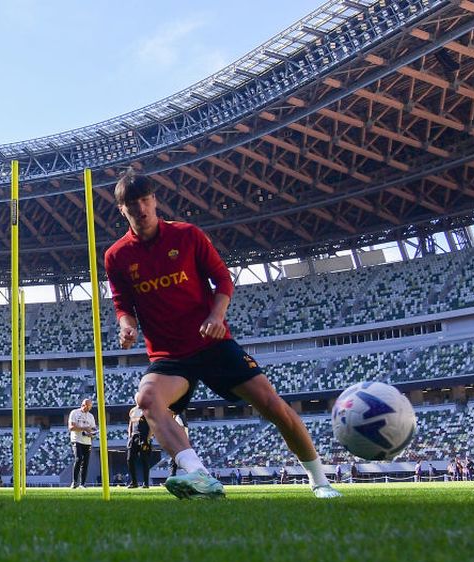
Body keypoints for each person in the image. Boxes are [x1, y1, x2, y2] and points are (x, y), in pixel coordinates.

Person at [104, 171, 342, 499]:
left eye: (146, 200)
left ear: (155, 200)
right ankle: (201, 477)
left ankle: (321, 481)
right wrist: (126, 326)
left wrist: (217, 315)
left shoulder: (187, 235)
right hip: (169, 356)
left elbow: (223, 280)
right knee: (146, 399)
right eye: (132, 204)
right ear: (122, 210)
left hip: (212, 343)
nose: (141, 208)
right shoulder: (116, 256)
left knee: (273, 406)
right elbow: (122, 304)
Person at [67, 398, 97, 488]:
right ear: (83, 405)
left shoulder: (91, 416)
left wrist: (92, 433)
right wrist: (84, 428)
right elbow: (71, 427)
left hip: (87, 441)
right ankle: (75, 482)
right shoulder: (74, 413)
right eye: (88, 406)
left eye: (90, 407)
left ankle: (82, 484)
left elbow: (93, 428)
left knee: (86, 462)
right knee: (78, 459)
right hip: (77, 439)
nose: (89, 408)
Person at [126, 405, 153, 489]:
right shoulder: (133, 410)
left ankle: (146, 483)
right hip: (134, 437)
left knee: (144, 460)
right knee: (130, 459)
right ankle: (134, 482)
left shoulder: (147, 410)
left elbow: (152, 425)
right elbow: (130, 424)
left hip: (144, 436)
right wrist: (130, 436)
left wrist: (148, 438)